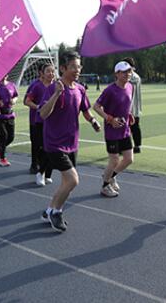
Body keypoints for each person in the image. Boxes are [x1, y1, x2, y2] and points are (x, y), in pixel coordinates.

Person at [39, 51, 101, 232]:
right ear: (63, 68)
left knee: (67, 183)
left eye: (79, 66)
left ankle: (49, 209)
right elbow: (43, 114)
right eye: (73, 66)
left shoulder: (80, 89)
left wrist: (94, 121)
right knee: (73, 180)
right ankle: (56, 212)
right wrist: (56, 94)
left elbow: (86, 110)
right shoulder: (53, 88)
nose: (77, 70)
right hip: (54, 143)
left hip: (72, 142)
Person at [92, 61, 135, 198]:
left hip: (125, 129)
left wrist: (129, 115)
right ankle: (105, 186)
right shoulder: (109, 90)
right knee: (114, 159)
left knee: (128, 159)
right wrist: (110, 119)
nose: (127, 74)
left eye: (129, 71)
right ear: (117, 74)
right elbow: (96, 107)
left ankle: (110, 176)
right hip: (112, 131)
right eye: (124, 72)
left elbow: (126, 104)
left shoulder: (130, 87)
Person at [24, 62, 56, 186]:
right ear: (41, 73)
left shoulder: (56, 86)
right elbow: (27, 101)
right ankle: (35, 166)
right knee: (38, 145)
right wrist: (38, 107)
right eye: (48, 71)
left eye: (53, 71)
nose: (51, 74)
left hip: (52, 121)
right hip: (37, 121)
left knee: (50, 147)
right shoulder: (35, 86)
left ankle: (46, 172)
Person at [0, 74, 18, 167]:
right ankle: (2, 159)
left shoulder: (11, 85)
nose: (4, 75)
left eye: (6, 73)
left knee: (11, 137)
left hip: (10, 115)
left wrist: (14, 100)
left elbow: (15, 96)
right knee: (4, 136)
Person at [123, 57, 143, 153]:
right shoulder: (136, 76)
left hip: (129, 107)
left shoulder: (131, 77)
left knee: (127, 128)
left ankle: (128, 147)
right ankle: (137, 146)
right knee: (135, 128)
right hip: (136, 107)